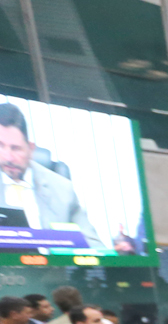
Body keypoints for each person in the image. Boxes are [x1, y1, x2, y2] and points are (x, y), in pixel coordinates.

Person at [0, 101, 102, 249]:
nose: (8, 157)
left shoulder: (62, 189)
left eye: (15, 149)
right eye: (0, 146)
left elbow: (94, 245)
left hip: (52, 270)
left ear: (31, 149)